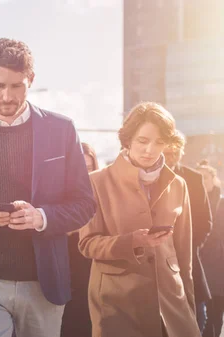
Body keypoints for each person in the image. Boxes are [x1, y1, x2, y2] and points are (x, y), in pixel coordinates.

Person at [0, 38, 96, 337]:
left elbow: (85, 204)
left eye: (16, 86)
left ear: (31, 80)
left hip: (43, 284)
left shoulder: (61, 130)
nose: (7, 96)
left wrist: (41, 217)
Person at [79, 102, 201, 337]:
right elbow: (87, 243)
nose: (150, 150)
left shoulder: (178, 184)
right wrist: (131, 241)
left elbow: (184, 256)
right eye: (143, 141)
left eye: (159, 143)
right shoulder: (97, 182)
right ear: (128, 140)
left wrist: (189, 309)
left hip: (170, 304)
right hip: (117, 306)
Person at [164, 134, 213, 333]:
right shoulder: (145, 177)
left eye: (175, 152)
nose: (171, 156)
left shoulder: (193, 178)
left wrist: (186, 246)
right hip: (154, 259)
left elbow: (205, 222)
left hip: (187, 258)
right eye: (167, 152)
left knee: (197, 317)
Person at [60, 142, 98, 337]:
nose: (85, 174)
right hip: (63, 278)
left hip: (92, 278)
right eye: (80, 168)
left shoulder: (102, 195)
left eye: (89, 168)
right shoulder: (59, 197)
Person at [198, 162, 223, 337]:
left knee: (215, 313)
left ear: (214, 180)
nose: (201, 181)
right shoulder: (190, 201)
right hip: (198, 264)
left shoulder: (221, 203)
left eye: (205, 177)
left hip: (218, 267)